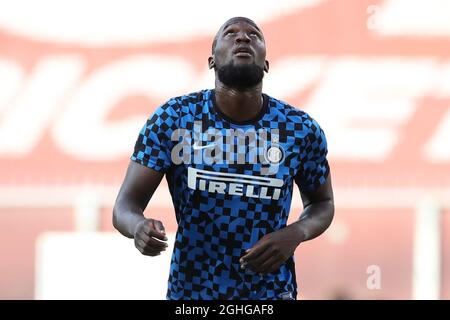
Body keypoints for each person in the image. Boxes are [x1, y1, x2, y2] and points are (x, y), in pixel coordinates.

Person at [112, 16, 334, 300]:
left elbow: (322, 203)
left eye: (255, 35)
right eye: (230, 33)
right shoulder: (175, 118)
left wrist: (297, 232)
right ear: (211, 61)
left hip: (270, 295)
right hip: (192, 296)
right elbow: (125, 206)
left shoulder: (299, 128)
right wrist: (138, 227)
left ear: (266, 65)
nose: (243, 38)